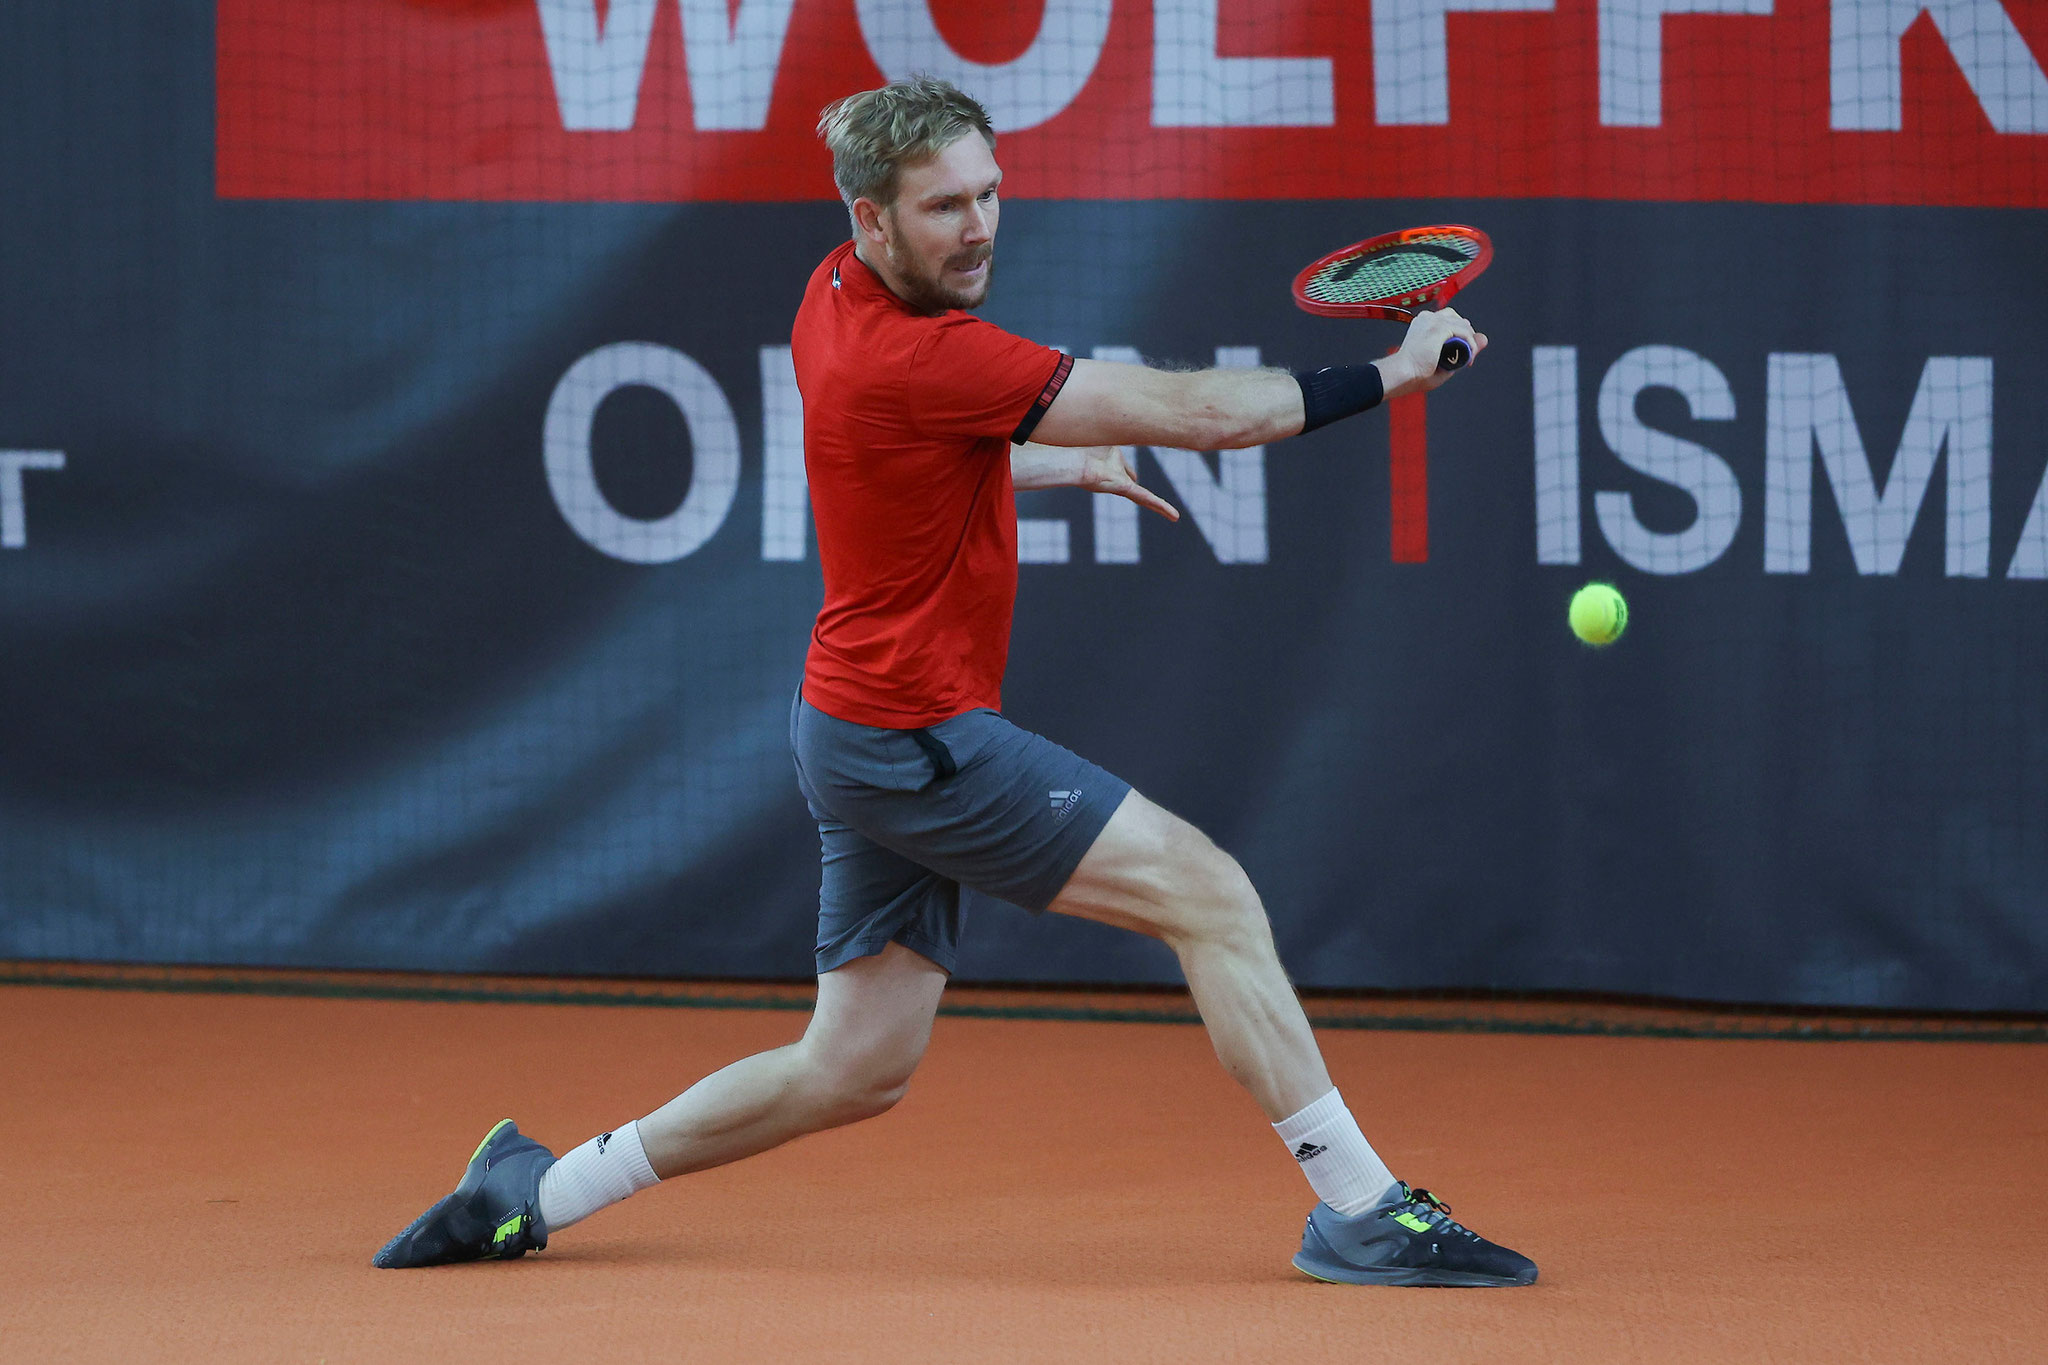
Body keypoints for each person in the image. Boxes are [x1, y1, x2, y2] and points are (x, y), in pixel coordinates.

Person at [374, 76, 1534, 1289]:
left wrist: (1050, 466)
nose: (978, 227)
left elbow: (905, 462)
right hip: (913, 738)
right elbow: (1203, 416)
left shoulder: (831, 292)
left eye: (988, 194)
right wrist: (1396, 373)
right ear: (870, 218)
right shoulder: (927, 356)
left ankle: (532, 1190)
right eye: (943, 207)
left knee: (851, 1070)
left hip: (852, 725)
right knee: (1210, 895)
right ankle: (1359, 1209)